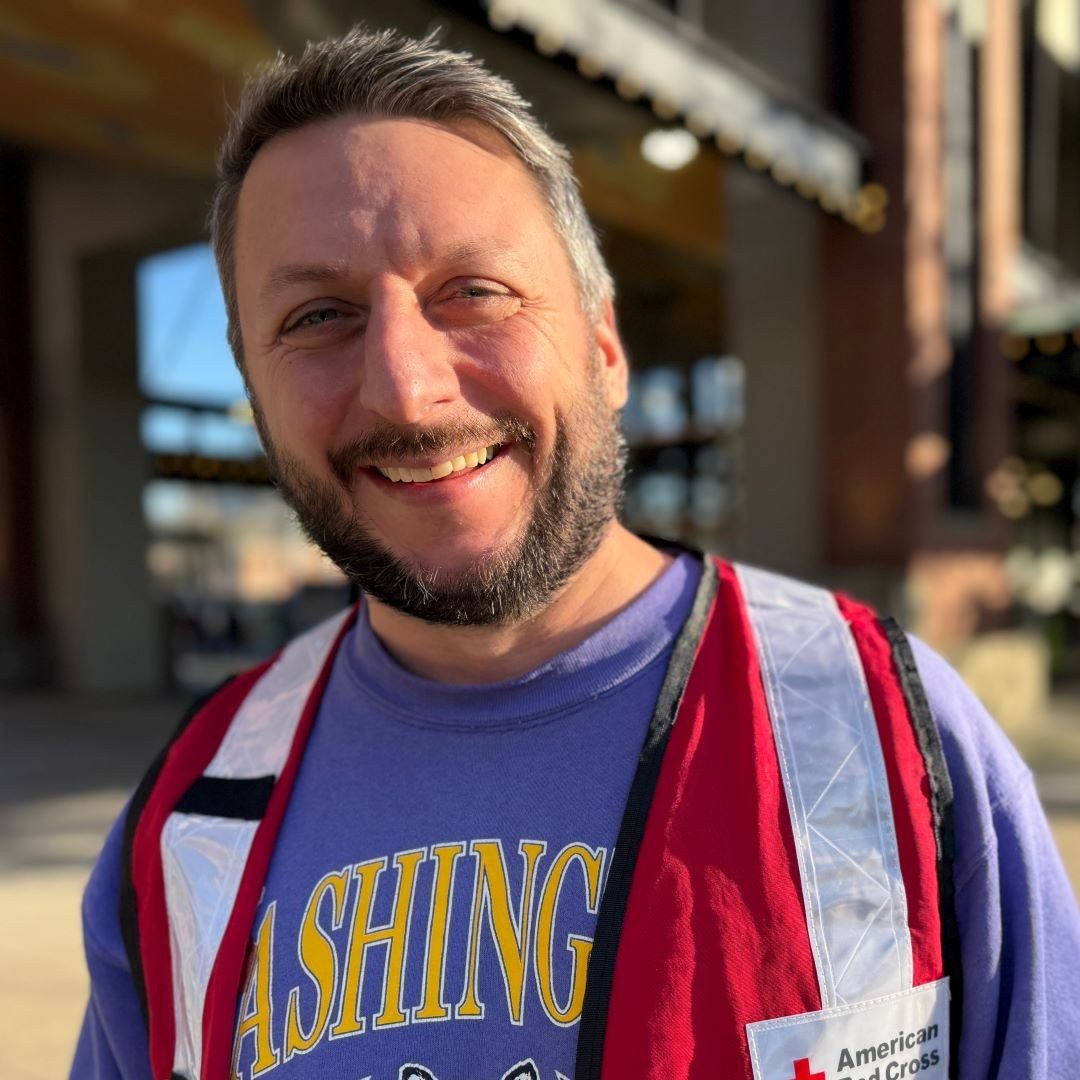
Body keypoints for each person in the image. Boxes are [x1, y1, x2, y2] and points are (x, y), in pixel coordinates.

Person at [72, 27, 1080, 1080]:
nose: (407, 389)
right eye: (318, 316)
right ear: (257, 401)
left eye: (473, 290)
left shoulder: (886, 738)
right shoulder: (187, 822)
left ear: (603, 347)